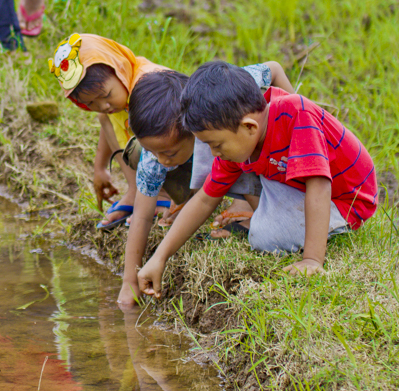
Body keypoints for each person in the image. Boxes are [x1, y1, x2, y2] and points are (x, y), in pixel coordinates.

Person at [136, 61, 378, 300]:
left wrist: (312, 260)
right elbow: (205, 200)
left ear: (249, 126)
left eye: (216, 145)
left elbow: (319, 185)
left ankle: (263, 219)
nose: (213, 154)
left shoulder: (297, 113)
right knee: (236, 182)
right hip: (292, 183)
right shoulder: (239, 134)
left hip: (345, 199)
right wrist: (159, 257)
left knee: (264, 236)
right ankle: (261, 212)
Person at [115, 61, 293, 310]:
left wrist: (295, 123)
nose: (161, 160)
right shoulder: (155, 158)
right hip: (213, 174)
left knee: (239, 157)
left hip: (251, 159)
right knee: (139, 157)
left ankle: (254, 210)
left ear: (192, 128)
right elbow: (142, 216)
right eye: (152, 152)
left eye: (168, 152)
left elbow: (274, 68)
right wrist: (129, 280)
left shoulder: (222, 105)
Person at [48, 33, 180, 231]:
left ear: (119, 69)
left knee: (137, 147)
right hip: (153, 164)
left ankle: (164, 195)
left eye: (106, 95)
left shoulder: (148, 87)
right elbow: (106, 121)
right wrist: (99, 168)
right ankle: (136, 190)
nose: (103, 105)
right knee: (106, 119)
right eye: (90, 103)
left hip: (181, 160)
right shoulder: (113, 101)